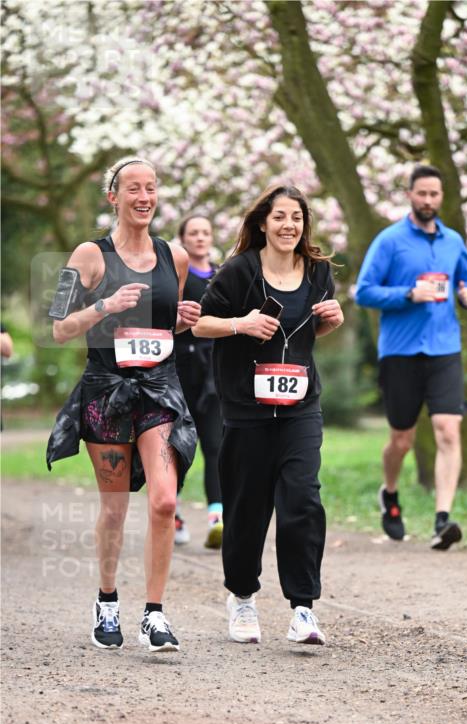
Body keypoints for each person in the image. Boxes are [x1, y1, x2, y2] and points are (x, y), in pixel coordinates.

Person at [46, 156, 200, 652]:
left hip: (159, 389)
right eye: (133, 188)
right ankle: (107, 600)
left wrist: (184, 319)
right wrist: (104, 306)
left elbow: (164, 324)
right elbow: (58, 327)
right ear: (113, 197)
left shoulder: (173, 256)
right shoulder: (88, 255)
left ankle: (154, 615)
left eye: (151, 188)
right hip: (107, 391)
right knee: (115, 508)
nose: (144, 197)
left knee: (164, 500)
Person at [194, 183, 343, 645]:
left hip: (300, 407)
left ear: (305, 224)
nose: (288, 226)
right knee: (247, 509)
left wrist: (334, 322)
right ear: (263, 222)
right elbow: (200, 322)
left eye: (296, 218)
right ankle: (241, 598)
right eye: (279, 217)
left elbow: (312, 336)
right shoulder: (239, 271)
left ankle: (303, 609)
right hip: (246, 409)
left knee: (302, 500)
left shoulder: (317, 272)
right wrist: (241, 323)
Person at [355, 164, 467, 550]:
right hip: (401, 351)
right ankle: (390, 494)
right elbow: (363, 292)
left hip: (444, 348)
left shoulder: (453, 241)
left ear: (442, 197)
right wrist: (408, 294)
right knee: (402, 440)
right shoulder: (389, 240)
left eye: (435, 194)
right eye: (422, 193)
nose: (428, 200)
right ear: (410, 194)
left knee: (448, 429)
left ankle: (442, 519)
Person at [172, 215, 223, 548]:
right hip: (180, 369)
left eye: (206, 232)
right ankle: (172, 513)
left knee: (216, 446)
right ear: (183, 239)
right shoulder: (177, 274)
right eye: (194, 233)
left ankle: (217, 519)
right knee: (178, 447)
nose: (201, 238)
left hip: (216, 373)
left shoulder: (223, 274)